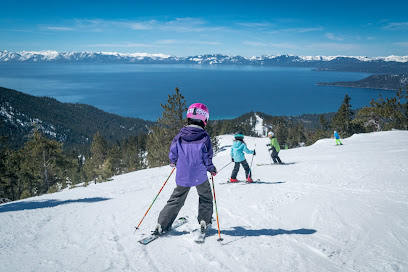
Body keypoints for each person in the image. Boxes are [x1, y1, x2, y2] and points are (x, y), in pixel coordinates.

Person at [154, 103, 217, 236]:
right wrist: (211, 169)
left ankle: (162, 224)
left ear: (188, 118)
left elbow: (173, 152)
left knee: (176, 199)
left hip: (182, 175)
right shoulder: (204, 138)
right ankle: (204, 221)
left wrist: (173, 161)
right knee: (205, 197)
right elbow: (207, 158)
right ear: (204, 120)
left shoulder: (180, 136)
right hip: (199, 175)